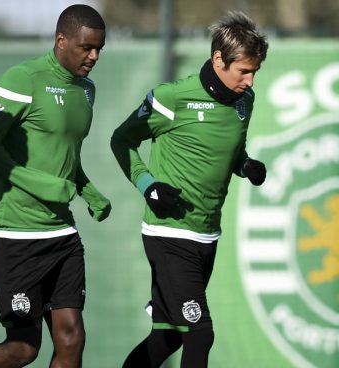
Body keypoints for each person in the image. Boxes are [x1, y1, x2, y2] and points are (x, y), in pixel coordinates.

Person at [111, 10, 269, 368]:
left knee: (167, 336)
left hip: (206, 234)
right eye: (244, 70)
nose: (250, 80)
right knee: (200, 333)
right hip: (168, 234)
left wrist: (244, 165)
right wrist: (147, 185)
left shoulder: (245, 102)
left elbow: (229, 152)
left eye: (255, 71)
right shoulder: (172, 97)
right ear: (218, 59)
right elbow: (122, 141)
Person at [0, 4, 110, 368]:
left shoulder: (86, 90)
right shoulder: (23, 78)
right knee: (24, 348)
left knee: (72, 336)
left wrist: (88, 190)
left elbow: (64, 156)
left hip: (61, 233)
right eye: (85, 47)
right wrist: (41, 186)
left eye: (98, 49)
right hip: (14, 235)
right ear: (61, 40)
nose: (93, 56)